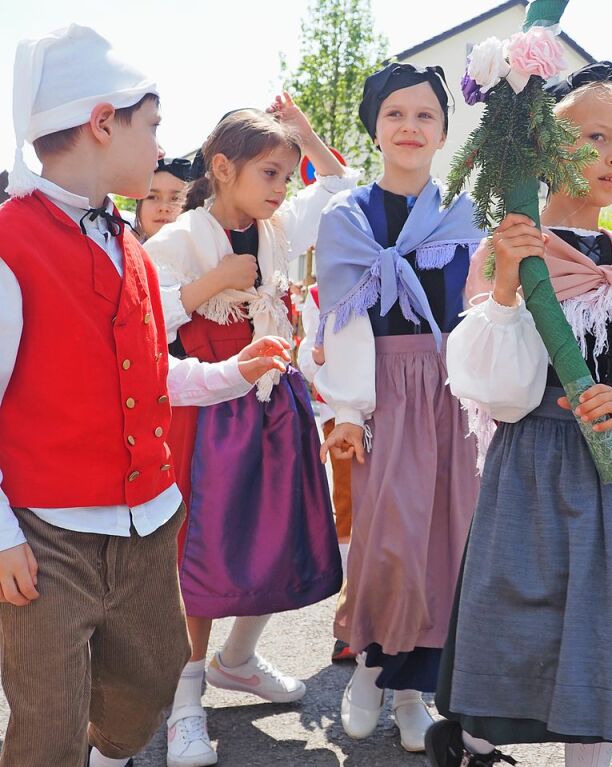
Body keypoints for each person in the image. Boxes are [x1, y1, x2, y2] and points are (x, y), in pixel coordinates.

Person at [0, 24, 293, 767]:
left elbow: (149, 375)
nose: (163, 147)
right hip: (48, 538)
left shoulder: (128, 243)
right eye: (153, 124)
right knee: (46, 725)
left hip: (150, 519)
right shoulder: (10, 241)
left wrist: (237, 371)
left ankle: (112, 754)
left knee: (151, 684)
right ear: (103, 123)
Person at [426, 63, 612, 767]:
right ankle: (476, 745)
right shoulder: (512, 249)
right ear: (547, 147)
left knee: (609, 630)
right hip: (536, 476)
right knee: (519, 621)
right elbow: (500, 389)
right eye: (596, 137)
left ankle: (592, 757)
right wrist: (512, 289)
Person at [146, 96, 353, 767]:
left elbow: (341, 187)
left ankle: (237, 659)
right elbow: (146, 320)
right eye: (268, 171)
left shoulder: (279, 229)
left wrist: (305, 132)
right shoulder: (179, 238)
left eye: (286, 175)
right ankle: (184, 700)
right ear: (223, 168)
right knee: (202, 552)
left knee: (275, 534)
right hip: (206, 408)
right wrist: (214, 280)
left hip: (272, 400)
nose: (281, 187)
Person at [314, 62, 486, 753]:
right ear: (373, 127)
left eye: (425, 115)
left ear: (445, 131)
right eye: (395, 114)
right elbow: (341, 321)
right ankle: (369, 667)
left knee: (446, 543)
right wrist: (350, 408)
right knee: (390, 539)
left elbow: (482, 311)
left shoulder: (469, 214)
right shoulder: (347, 218)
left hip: (456, 390)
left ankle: (414, 690)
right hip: (386, 390)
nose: (410, 127)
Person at [295, 282, 356, 662]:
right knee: (349, 508)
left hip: (399, 404)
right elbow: (306, 357)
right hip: (341, 414)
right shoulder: (318, 294)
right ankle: (350, 617)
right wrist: (318, 357)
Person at [134, 156, 190, 241]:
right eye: (152, 197)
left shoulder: (211, 252)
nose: (163, 208)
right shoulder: (116, 252)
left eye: (176, 198)